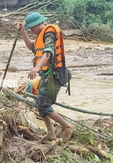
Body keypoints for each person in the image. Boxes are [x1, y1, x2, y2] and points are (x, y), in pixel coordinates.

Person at [16, 12, 74, 142]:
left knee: (43, 105)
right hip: (47, 75)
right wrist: (23, 33)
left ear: (38, 24)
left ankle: (67, 126)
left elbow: (49, 51)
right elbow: (32, 46)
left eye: (31, 28)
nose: (30, 30)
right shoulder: (39, 36)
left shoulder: (49, 33)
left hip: (54, 75)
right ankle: (50, 134)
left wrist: (37, 67)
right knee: (40, 104)